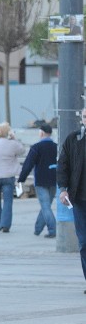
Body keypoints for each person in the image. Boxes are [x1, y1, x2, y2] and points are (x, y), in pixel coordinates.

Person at [57, 108, 86, 291]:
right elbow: (63, 165)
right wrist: (63, 189)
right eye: (85, 116)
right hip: (80, 199)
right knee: (84, 242)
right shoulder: (74, 139)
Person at [18, 123, 57, 238]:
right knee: (47, 206)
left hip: (40, 180)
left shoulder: (36, 147)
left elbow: (28, 164)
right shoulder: (56, 146)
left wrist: (21, 179)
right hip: (54, 180)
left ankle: (53, 229)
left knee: (45, 206)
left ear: (41, 133)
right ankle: (38, 228)